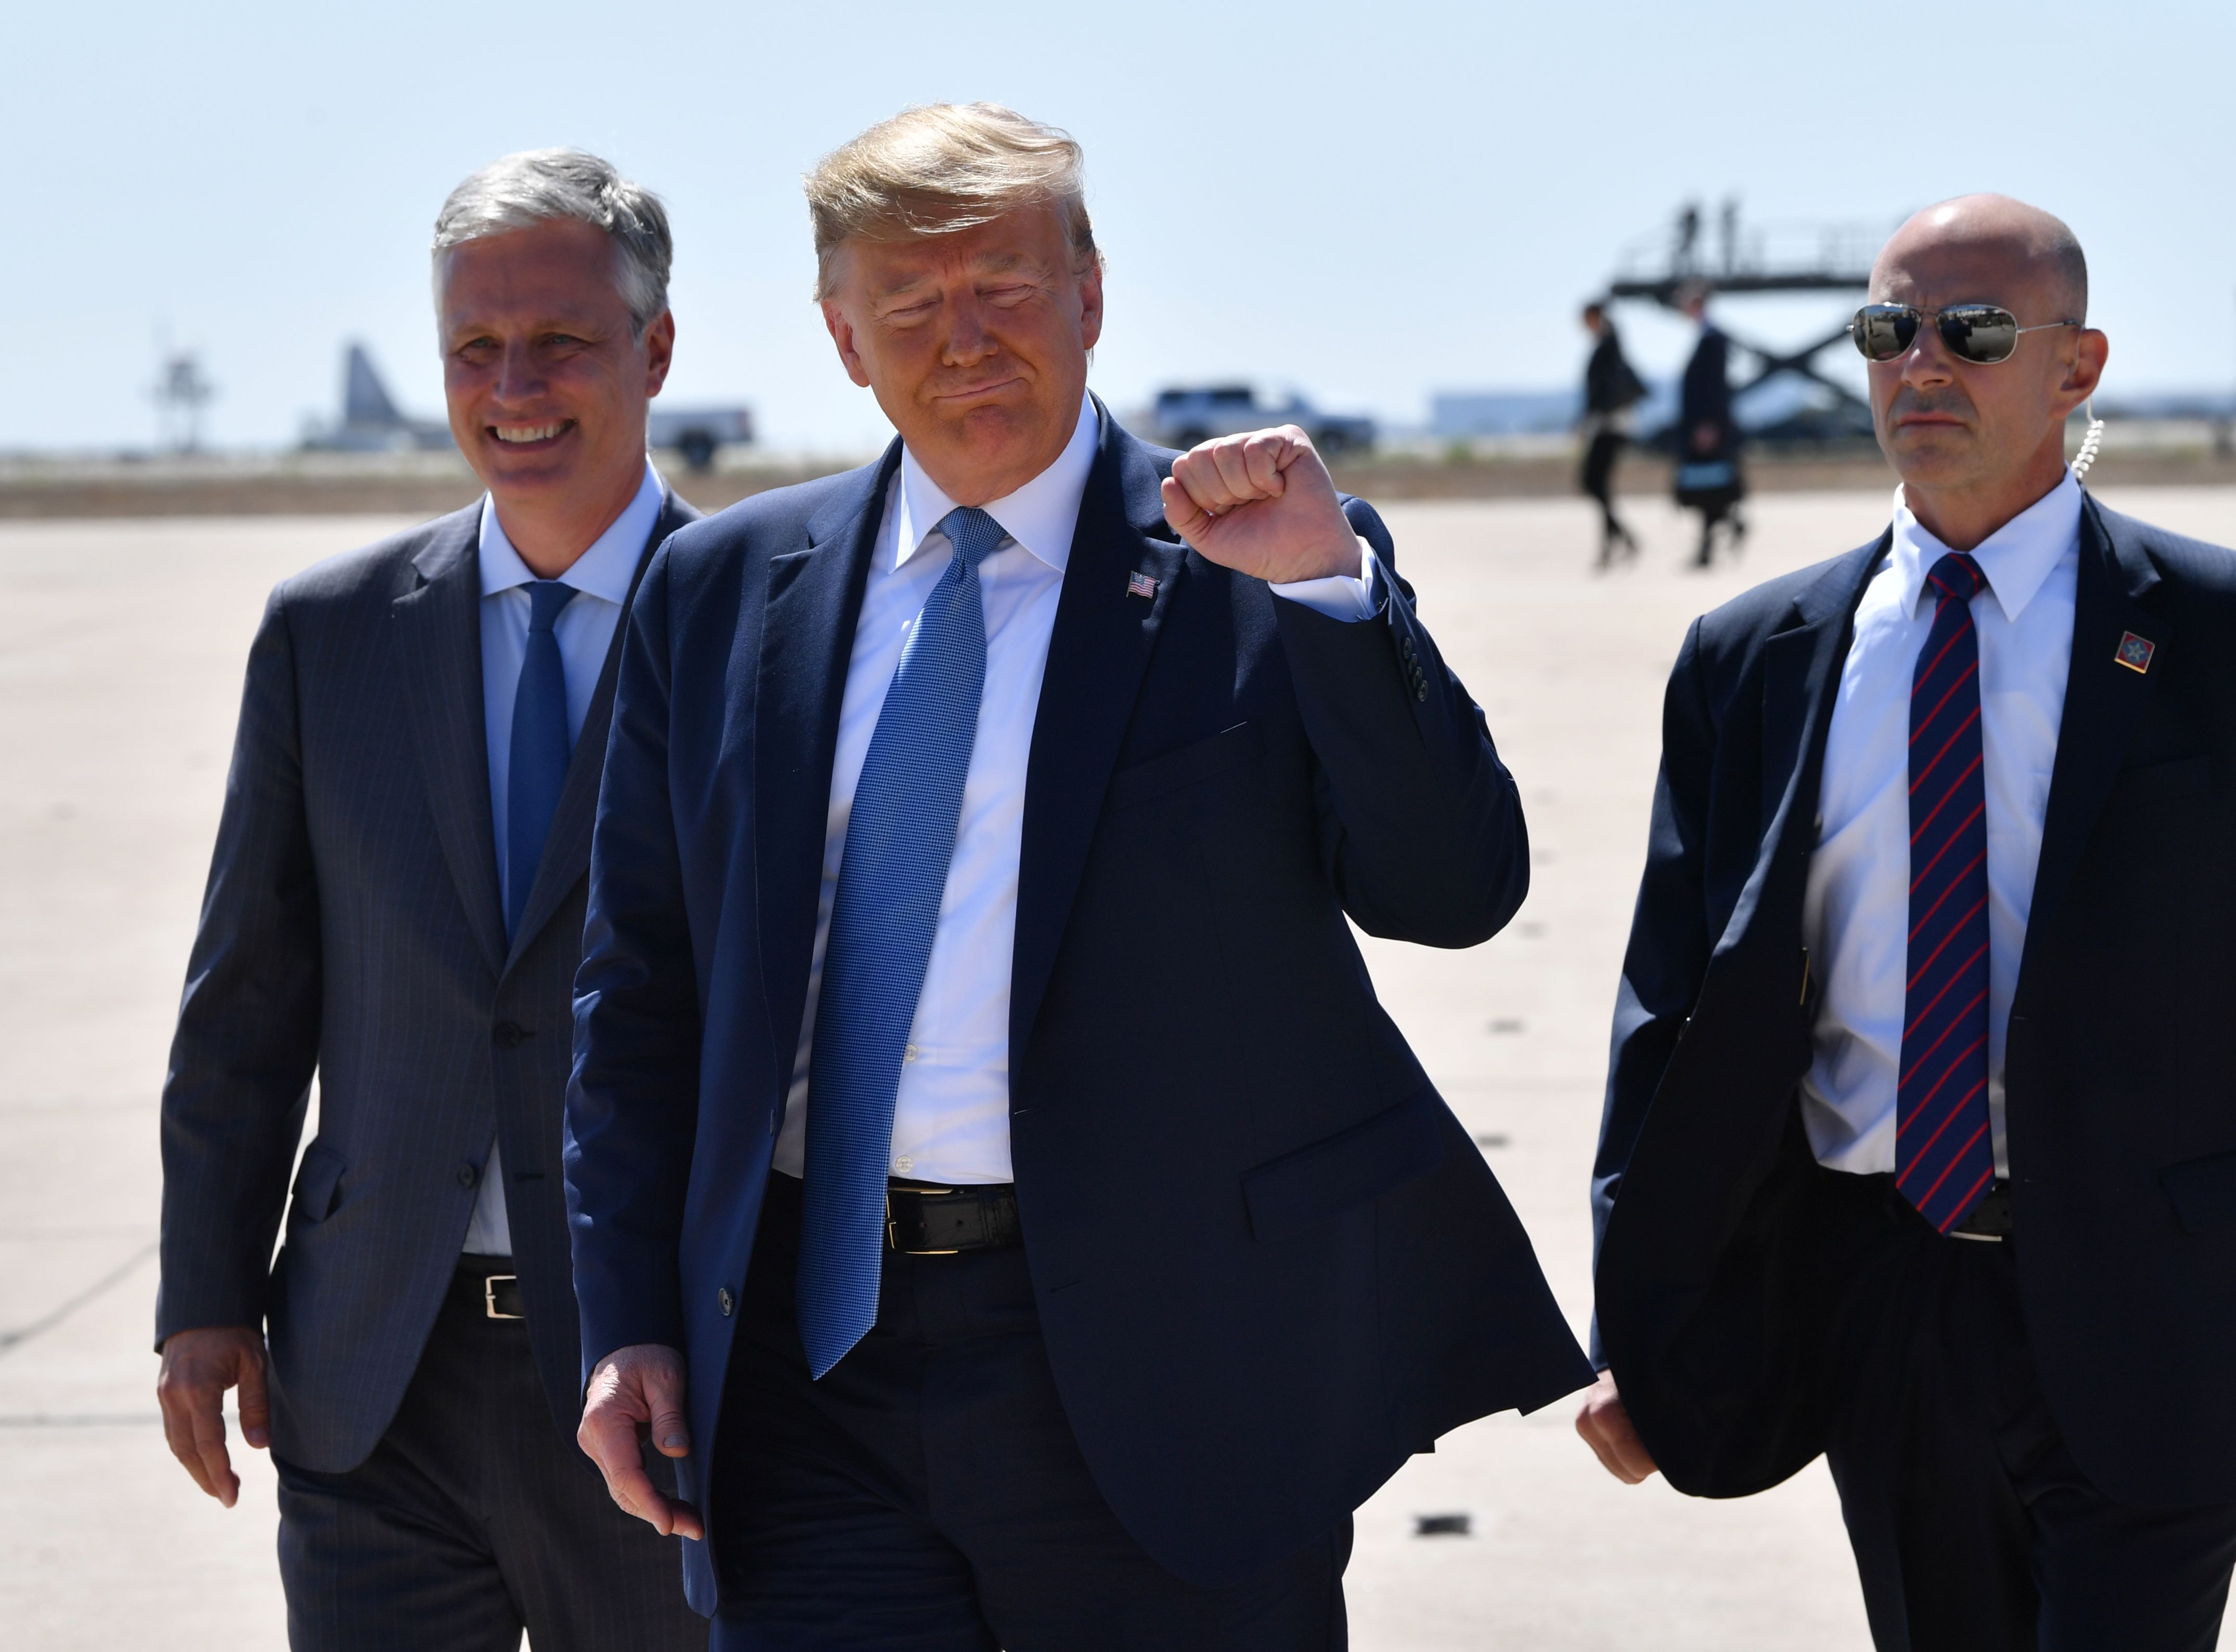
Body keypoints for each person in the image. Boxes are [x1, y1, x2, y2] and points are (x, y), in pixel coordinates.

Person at [564, 103, 1592, 1648]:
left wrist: (1331, 594)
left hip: (1167, 1360)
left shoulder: (1258, 561)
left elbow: (1451, 886)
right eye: (910, 303)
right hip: (802, 1371)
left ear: (1091, 296)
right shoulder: (719, 591)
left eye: (1004, 285)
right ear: (844, 339)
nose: (963, 337)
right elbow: (639, 983)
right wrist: (627, 1311)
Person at [1576, 195, 2236, 1651]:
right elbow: (1667, 1017)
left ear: (2077, 365)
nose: (1921, 364)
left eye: (1974, 331)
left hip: (2167, 1307)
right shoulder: (1755, 661)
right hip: (1879, 1295)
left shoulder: (2235, 635)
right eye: (1887, 331)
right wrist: (1643, 1322)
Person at [155, 149, 707, 1652]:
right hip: (371, 1374)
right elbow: (249, 1000)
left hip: (665, 1384)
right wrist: (204, 1293)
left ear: (655, 349)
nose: (512, 386)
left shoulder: (759, 625)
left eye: (561, 342)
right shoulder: (328, 637)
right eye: (475, 348)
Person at [1671, 280, 1746, 566]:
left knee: (1706, 490)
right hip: (1704, 423)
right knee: (1707, 490)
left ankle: (1708, 548)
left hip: (1706, 425)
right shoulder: (1707, 336)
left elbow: (1714, 387)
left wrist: (1709, 424)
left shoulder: (1711, 338)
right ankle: (1725, 531)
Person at [1578, 301, 1647, 568]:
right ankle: (1620, 541)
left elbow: (1601, 391)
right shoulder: (1607, 345)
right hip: (1609, 425)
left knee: (1594, 483)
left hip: (1611, 426)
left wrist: (1586, 420)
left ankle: (1618, 543)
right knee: (1597, 485)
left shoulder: (1609, 345)